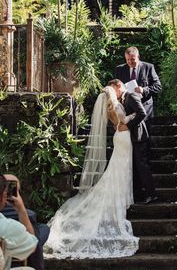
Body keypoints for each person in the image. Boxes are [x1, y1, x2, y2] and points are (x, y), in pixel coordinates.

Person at [45, 85, 139, 259]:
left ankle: (122, 195)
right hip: (124, 138)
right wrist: (134, 115)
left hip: (119, 138)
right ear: (112, 94)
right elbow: (124, 121)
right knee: (121, 169)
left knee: (117, 169)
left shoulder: (109, 109)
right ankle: (121, 196)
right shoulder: (117, 107)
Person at [108, 79, 157, 205]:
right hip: (133, 136)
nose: (113, 92)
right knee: (136, 166)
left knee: (142, 165)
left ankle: (151, 194)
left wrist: (128, 126)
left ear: (119, 86)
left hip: (139, 135)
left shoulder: (131, 96)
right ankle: (139, 194)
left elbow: (142, 113)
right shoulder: (124, 99)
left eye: (113, 89)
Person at [2, 175, 50, 270]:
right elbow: (32, 244)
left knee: (43, 228)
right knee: (40, 234)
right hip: (20, 238)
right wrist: (21, 209)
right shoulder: (11, 225)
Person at [115, 46, 162, 123]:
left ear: (138, 57)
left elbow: (158, 87)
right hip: (127, 109)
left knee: (145, 134)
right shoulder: (119, 69)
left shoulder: (148, 67)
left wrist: (143, 90)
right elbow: (116, 89)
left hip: (144, 109)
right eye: (128, 59)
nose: (130, 62)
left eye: (133, 59)